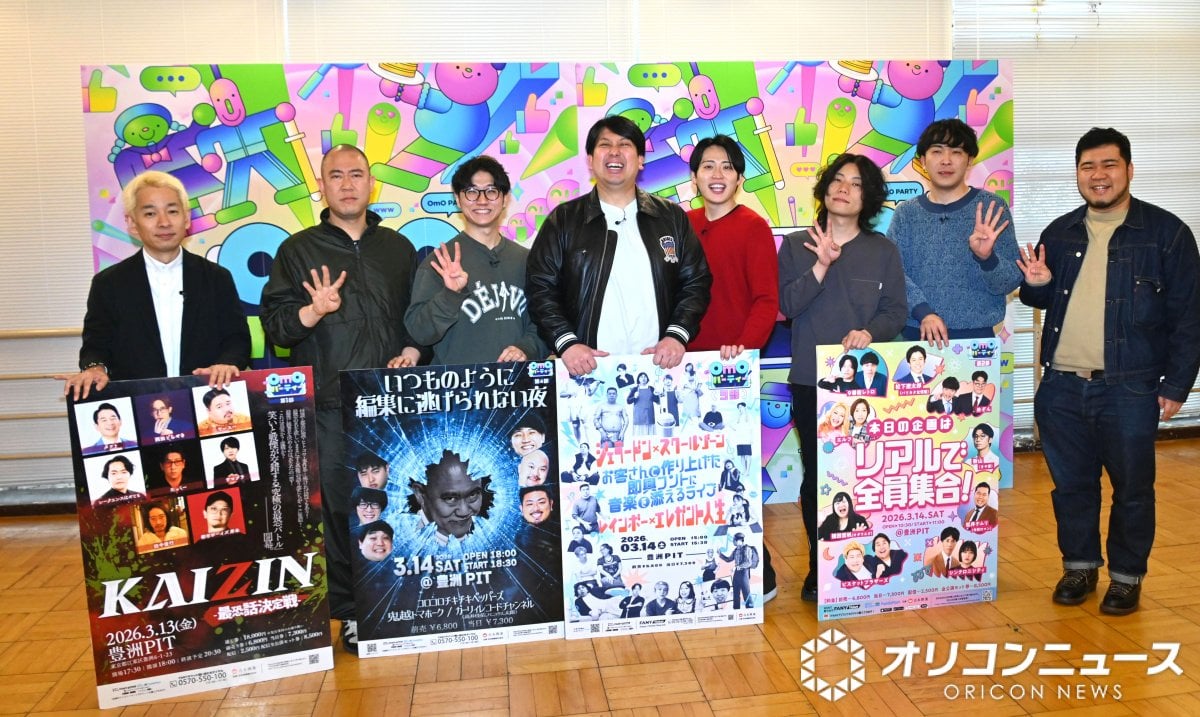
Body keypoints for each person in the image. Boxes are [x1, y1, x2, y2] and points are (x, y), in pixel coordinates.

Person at [1018, 127, 1200, 615]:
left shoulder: (1167, 233)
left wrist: (1177, 384)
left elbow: (1189, 316)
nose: (1098, 175)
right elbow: (1042, 297)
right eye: (1087, 167)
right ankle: (1078, 566)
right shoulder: (1060, 232)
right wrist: (1036, 284)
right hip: (1060, 387)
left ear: (1129, 170)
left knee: (1132, 490)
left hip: (1131, 387)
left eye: (1108, 165)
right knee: (1072, 487)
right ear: (1077, 174)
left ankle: (1125, 577)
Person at [261, 144, 424, 653]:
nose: (348, 184)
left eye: (357, 174)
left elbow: (418, 319)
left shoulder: (398, 248)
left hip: (393, 403)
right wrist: (313, 311)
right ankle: (352, 613)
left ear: (372, 184)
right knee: (341, 512)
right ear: (322, 187)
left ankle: (403, 601)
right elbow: (277, 329)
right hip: (331, 404)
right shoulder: (297, 251)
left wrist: (414, 349)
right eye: (336, 175)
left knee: (403, 502)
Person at [779, 154, 906, 603]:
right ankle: (820, 568)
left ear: (868, 198)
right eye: (837, 179)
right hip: (810, 381)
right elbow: (786, 306)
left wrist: (870, 332)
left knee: (863, 477)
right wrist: (822, 265)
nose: (844, 188)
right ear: (824, 189)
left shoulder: (883, 251)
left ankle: (866, 561)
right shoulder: (796, 245)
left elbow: (896, 311)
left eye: (855, 183)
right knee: (819, 478)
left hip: (866, 388)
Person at [526, 115, 711, 378]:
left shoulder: (671, 217)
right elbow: (540, 287)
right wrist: (566, 343)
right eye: (605, 144)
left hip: (660, 368)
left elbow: (696, 282)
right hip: (587, 371)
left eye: (625, 144)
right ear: (590, 160)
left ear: (641, 159)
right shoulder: (564, 219)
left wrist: (676, 335)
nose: (614, 152)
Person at [60, 170, 249, 401]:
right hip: (138, 404)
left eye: (172, 211)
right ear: (132, 223)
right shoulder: (108, 283)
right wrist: (95, 368)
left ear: (187, 218)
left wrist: (227, 363)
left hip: (204, 402)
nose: (164, 222)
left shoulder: (216, 277)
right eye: (150, 213)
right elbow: (95, 345)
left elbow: (237, 340)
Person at [888, 118, 1022, 347]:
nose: (946, 160)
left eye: (957, 152)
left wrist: (987, 259)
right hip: (916, 335)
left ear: (970, 160)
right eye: (937, 151)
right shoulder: (906, 213)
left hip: (976, 341)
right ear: (923, 160)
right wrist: (923, 312)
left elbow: (1009, 281)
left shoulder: (992, 208)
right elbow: (893, 274)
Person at [404, 155, 544, 365]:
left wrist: (527, 348)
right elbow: (420, 333)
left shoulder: (527, 260)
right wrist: (450, 295)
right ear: (457, 199)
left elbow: (544, 323)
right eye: (471, 192)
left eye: (491, 191)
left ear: (505, 198)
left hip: (516, 382)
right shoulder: (440, 262)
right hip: (459, 383)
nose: (482, 200)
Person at [685, 134, 779, 362]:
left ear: (739, 179)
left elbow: (766, 300)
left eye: (727, 167)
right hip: (681, 356)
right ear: (694, 178)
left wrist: (743, 348)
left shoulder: (754, 227)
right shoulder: (682, 224)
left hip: (732, 357)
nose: (717, 175)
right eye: (708, 166)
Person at [407, 450, 491, 544]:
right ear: (420, 494)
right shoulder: (406, 539)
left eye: (473, 495)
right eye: (450, 498)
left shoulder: (486, 536)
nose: (464, 512)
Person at [718, 532, 759, 609]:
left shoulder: (747, 549)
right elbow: (728, 559)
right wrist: (720, 554)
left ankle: (750, 610)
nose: (733, 541)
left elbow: (748, 562)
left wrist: (738, 567)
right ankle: (736, 610)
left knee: (746, 593)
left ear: (738, 540)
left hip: (744, 573)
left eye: (734, 540)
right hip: (736, 574)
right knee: (735, 594)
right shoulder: (736, 550)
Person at [626, 373, 656, 437]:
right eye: (641, 377)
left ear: (647, 379)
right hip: (639, 416)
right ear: (638, 379)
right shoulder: (635, 389)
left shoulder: (651, 388)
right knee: (639, 436)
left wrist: (657, 394)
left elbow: (657, 400)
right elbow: (628, 401)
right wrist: (634, 397)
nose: (643, 378)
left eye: (645, 377)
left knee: (650, 436)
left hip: (649, 415)